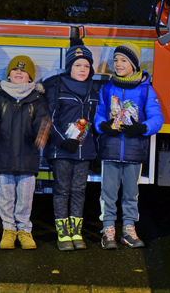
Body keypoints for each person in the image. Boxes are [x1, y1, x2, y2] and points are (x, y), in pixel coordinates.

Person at [95, 42, 163, 249]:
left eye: (123, 60)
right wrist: (103, 126)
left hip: (134, 150)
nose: (118, 64)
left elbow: (157, 118)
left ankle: (128, 229)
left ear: (133, 64)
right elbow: (98, 113)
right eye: (116, 60)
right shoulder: (107, 88)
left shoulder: (145, 90)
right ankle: (108, 229)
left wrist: (142, 129)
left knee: (131, 193)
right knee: (108, 192)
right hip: (110, 149)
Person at [0, 55, 50, 250]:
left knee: (25, 197)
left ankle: (24, 230)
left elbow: (43, 121)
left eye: (24, 70)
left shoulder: (37, 99)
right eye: (15, 70)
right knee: (5, 196)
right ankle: (8, 230)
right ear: (9, 75)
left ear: (30, 78)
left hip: (28, 158)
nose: (19, 72)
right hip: (4, 157)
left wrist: (42, 130)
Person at [42, 41, 100, 251]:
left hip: (84, 151)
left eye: (86, 66)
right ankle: (63, 233)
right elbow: (48, 119)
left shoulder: (94, 91)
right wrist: (62, 141)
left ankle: (76, 231)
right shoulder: (56, 88)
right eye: (77, 65)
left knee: (79, 190)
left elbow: (96, 122)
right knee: (62, 190)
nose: (82, 69)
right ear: (69, 67)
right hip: (62, 150)